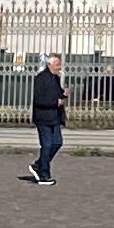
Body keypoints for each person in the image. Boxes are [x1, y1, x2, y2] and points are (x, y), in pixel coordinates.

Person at [24, 53, 69, 183]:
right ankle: (44, 174)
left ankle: (39, 164)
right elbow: (39, 100)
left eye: (59, 65)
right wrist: (55, 102)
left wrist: (63, 94)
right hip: (43, 117)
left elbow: (56, 95)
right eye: (57, 65)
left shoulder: (55, 78)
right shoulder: (41, 78)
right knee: (47, 145)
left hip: (55, 117)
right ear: (49, 65)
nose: (59, 67)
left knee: (57, 143)